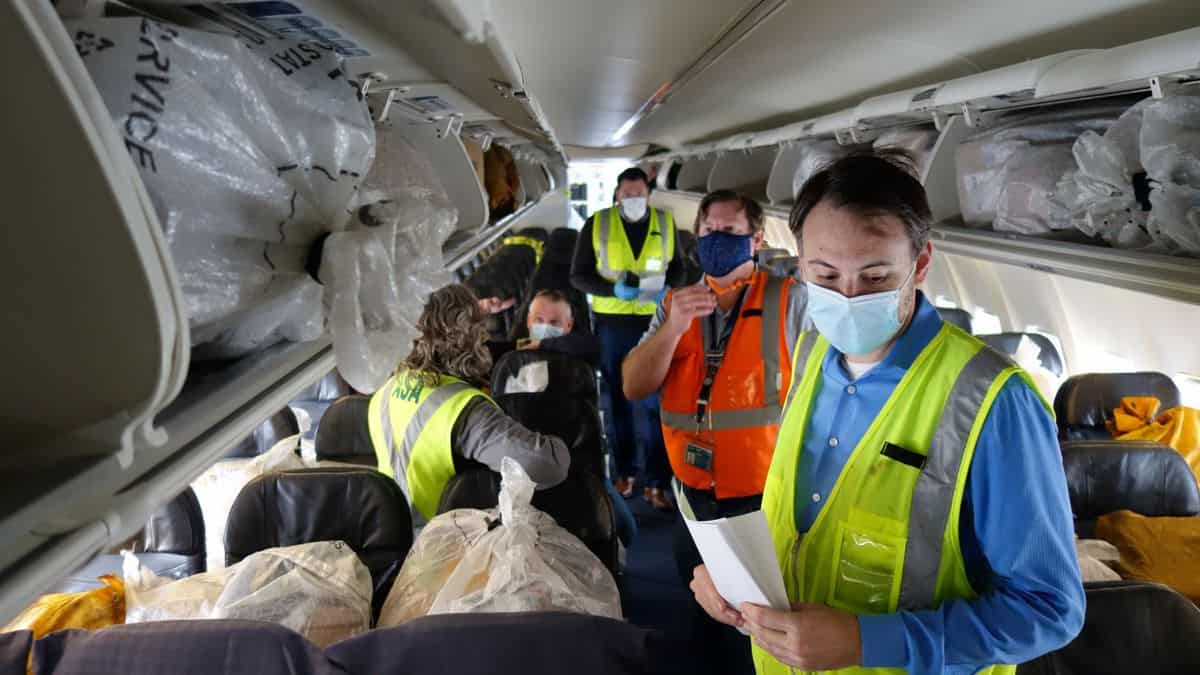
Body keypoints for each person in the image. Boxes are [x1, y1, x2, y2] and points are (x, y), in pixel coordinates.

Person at [689, 150, 1084, 674]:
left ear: (919, 263)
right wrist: (733, 579)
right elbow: (803, 529)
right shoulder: (809, 354)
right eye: (825, 275)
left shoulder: (993, 401)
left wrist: (867, 641)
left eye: (874, 277)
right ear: (798, 263)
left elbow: (1050, 610)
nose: (848, 297)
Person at [622, 190, 805, 675]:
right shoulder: (674, 305)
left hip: (763, 502)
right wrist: (674, 326)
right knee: (702, 614)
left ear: (757, 238)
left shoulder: (790, 301)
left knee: (760, 629)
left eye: (730, 231)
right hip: (694, 499)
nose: (717, 240)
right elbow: (633, 383)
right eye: (709, 231)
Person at [367, 284, 570, 522]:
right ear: (469, 336)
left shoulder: (385, 391)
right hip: (447, 541)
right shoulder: (460, 408)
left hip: (391, 532)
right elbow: (546, 467)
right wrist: (557, 442)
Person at [572, 167, 686, 510]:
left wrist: (669, 288)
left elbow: (679, 267)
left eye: (639, 194)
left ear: (648, 194)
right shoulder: (598, 223)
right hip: (612, 321)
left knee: (655, 401)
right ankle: (625, 472)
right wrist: (612, 289)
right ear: (617, 195)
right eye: (627, 195)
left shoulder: (665, 224)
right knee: (619, 399)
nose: (633, 199)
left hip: (654, 319)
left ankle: (655, 480)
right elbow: (579, 276)